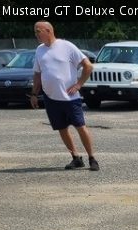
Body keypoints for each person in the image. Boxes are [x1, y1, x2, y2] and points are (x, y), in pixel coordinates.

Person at [31, 21, 99, 171]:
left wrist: (79, 84)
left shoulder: (67, 46)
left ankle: (92, 158)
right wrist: (34, 94)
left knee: (80, 127)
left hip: (70, 98)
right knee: (62, 128)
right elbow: (37, 73)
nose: (36, 34)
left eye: (38, 31)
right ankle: (75, 158)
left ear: (48, 30)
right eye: (35, 32)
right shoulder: (39, 50)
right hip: (50, 98)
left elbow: (88, 66)